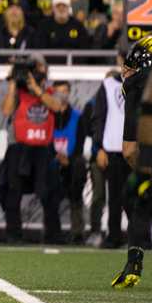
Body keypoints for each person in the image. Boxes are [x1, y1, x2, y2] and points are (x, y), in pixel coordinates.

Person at [111, 35, 152, 287]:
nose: (125, 71)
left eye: (130, 65)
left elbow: (130, 150)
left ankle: (134, 263)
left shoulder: (138, 85)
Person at [0, 54, 67, 243]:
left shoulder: (53, 91)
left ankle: (53, 235)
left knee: (47, 193)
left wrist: (36, 89)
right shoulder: (18, 92)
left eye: (37, 67)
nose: (34, 72)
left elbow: (57, 106)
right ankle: (13, 234)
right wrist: (13, 83)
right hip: (18, 147)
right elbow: (6, 110)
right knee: (13, 192)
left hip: (43, 148)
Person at [89, 57, 130, 249]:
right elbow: (99, 118)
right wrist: (99, 148)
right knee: (114, 196)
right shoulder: (107, 86)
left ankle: (141, 237)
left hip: (136, 149)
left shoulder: (145, 83)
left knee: (137, 197)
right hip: (114, 148)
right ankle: (114, 236)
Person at [49, 80, 90, 245]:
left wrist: (69, 160)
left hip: (72, 163)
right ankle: (53, 233)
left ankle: (77, 233)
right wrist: (57, 157)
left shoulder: (78, 116)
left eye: (65, 91)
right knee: (49, 193)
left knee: (76, 185)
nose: (62, 95)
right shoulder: (48, 115)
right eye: (58, 91)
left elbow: (80, 143)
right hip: (52, 161)